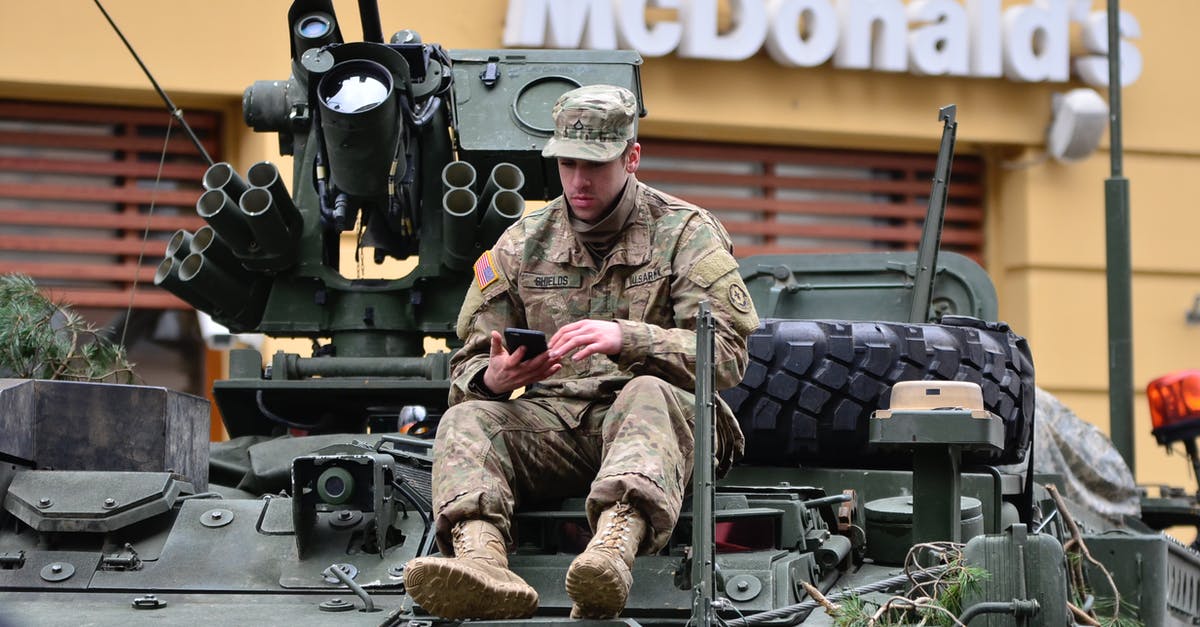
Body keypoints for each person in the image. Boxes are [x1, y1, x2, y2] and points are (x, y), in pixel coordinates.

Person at [403, 84, 760, 620]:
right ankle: (482, 562)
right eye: (567, 164)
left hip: (668, 430)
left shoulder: (686, 233)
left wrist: (630, 338)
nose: (578, 181)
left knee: (645, 391)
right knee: (467, 419)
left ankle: (613, 552)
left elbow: (729, 356)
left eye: (595, 164)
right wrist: (496, 378)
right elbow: (468, 365)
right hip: (556, 426)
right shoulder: (522, 244)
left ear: (632, 157)